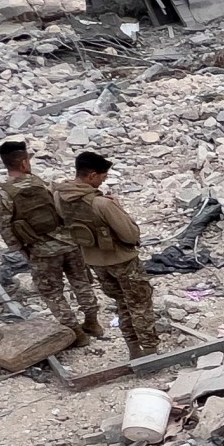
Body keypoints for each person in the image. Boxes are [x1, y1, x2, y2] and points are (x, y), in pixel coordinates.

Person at [0, 140, 98, 341]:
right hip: (69, 243)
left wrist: (20, 250)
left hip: (41, 251)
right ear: (23, 163)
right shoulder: (43, 184)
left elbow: (5, 227)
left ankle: (77, 333)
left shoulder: (2, 195)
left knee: (52, 293)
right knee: (81, 282)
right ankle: (93, 321)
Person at [56, 151, 159, 359]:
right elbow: (130, 235)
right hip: (122, 260)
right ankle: (150, 351)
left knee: (121, 304)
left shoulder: (60, 196)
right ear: (92, 175)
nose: (103, 181)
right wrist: (117, 207)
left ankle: (133, 349)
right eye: (102, 177)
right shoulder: (102, 203)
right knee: (139, 305)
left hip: (95, 261)